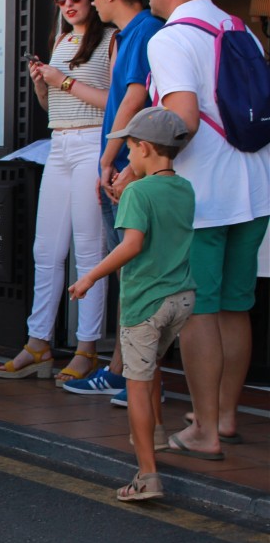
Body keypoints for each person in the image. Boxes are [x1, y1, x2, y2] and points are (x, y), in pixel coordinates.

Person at [143, 0, 270, 457]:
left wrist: (140, 169)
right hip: (256, 187)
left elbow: (183, 119)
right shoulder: (240, 27)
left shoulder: (169, 39)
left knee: (199, 310)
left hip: (203, 195)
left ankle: (203, 432)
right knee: (235, 307)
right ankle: (224, 415)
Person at [69, 107, 195, 500]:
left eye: (129, 150)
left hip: (145, 302)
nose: (127, 159)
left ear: (143, 148)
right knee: (152, 366)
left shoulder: (138, 192)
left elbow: (133, 245)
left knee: (136, 386)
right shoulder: (185, 187)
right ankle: (155, 434)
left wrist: (90, 275)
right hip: (182, 298)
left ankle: (147, 475)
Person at [0, 0, 112, 385]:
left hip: (91, 143)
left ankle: (87, 346)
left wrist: (61, 81)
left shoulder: (110, 40)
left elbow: (113, 102)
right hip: (60, 143)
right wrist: (45, 87)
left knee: (88, 250)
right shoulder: (63, 39)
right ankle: (39, 340)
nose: (68, 5)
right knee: (46, 249)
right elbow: (56, 109)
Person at [62, 0, 165, 400]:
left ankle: (143, 377)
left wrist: (110, 157)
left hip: (130, 166)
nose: (90, 3)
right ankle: (122, 369)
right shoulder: (129, 34)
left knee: (139, 270)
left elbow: (133, 99)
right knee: (129, 271)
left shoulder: (146, 32)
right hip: (124, 162)